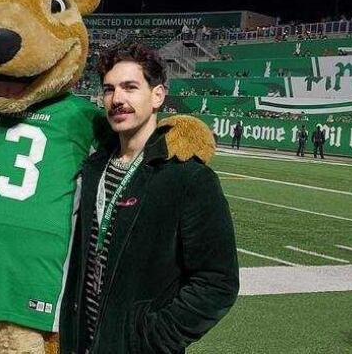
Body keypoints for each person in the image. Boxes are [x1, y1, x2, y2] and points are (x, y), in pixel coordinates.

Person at [60, 43, 239, 354]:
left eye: (130, 87)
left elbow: (217, 282)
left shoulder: (188, 177)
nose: (117, 99)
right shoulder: (93, 168)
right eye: (109, 89)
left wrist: (153, 337)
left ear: (157, 95)